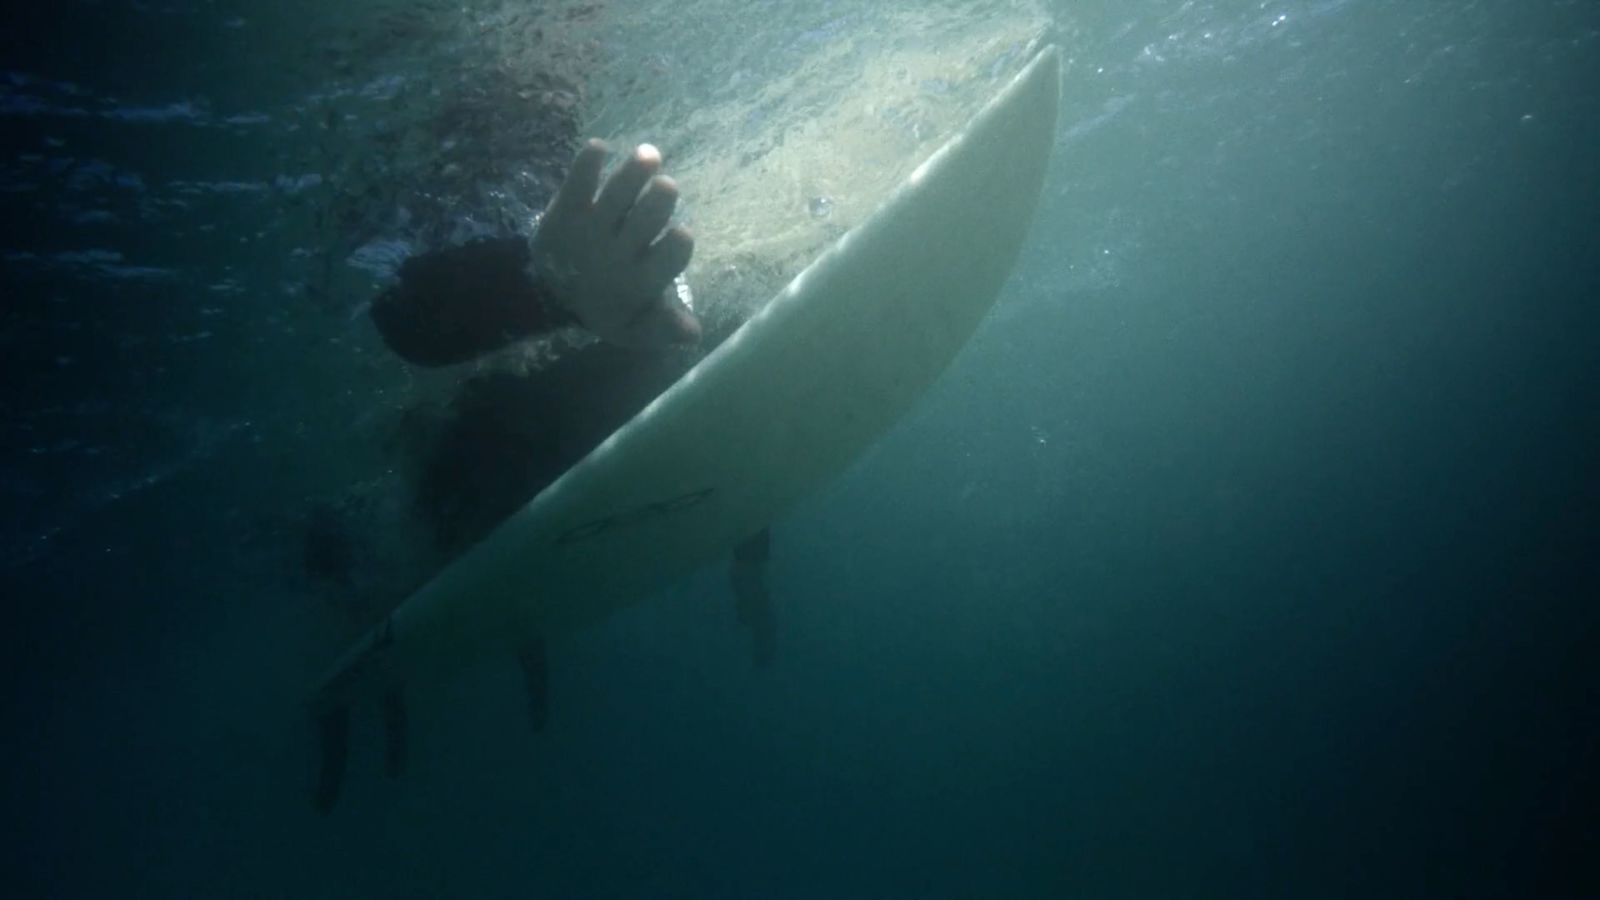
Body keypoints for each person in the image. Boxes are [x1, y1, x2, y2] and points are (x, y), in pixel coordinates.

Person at [308, 139, 776, 814]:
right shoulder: (486, 408)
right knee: (425, 557)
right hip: (475, 472)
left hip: (524, 463)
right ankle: (362, 715)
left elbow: (723, 440)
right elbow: (406, 328)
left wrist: (751, 567)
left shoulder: (659, 357)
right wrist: (551, 293)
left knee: (505, 561)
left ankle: (442, 682)